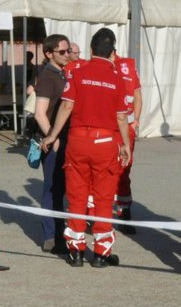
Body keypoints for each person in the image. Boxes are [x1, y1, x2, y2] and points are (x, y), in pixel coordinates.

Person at [40, 28, 132, 267]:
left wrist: (52, 135)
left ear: (90, 50)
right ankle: (101, 254)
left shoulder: (77, 74)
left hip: (78, 141)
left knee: (77, 195)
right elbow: (122, 117)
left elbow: (66, 107)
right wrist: (126, 145)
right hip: (105, 142)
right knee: (103, 197)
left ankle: (76, 251)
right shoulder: (117, 79)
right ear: (113, 53)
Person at [31, 34, 71, 253]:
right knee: (52, 190)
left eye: (68, 51)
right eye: (62, 52)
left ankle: (58, 232)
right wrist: (52, 138)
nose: (67, 55)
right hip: (53, 141)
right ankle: (51, 237)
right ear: (49, 54)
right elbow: (39, 113)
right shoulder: (48, 76)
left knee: (60, 190)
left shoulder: (61, 73)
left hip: (63, 139)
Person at [111, 48, 142, 230]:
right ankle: (97, 214)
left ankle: (124, 210)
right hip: (109, 126)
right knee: (104, 170)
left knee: (124, 169)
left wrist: (135, 120)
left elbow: (137, 96)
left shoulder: (128, 65)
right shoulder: (98, 65)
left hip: (124, 126)